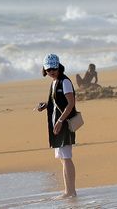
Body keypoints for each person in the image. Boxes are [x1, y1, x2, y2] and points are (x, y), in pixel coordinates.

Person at [37, 54, 77, 198]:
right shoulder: (54, 82)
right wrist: (46, 106)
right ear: (44, 70)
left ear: (59, 66)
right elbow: (57, 103)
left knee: (66, 157)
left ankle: (70, 191)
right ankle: (69, 190)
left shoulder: (64, 82)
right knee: (63, 158)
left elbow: (71, 103)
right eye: (48, 69)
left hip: (64, 123)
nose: (52, 71)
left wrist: (60, 121)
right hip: (57, 123)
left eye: (54, 68)